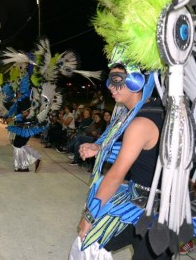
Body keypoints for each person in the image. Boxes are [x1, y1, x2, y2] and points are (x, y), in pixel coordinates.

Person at [71, 64, 171, 259]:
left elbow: (116, 175)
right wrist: (99, 148)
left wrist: (89, 216)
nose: (109, 86)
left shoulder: (141, 122)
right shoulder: (143, 111)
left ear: (138, 80)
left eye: (116, 80)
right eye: (109, 80)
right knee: (88, 243)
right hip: (136, 203)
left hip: (157, 217)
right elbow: (143, 152)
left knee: (88, 234)